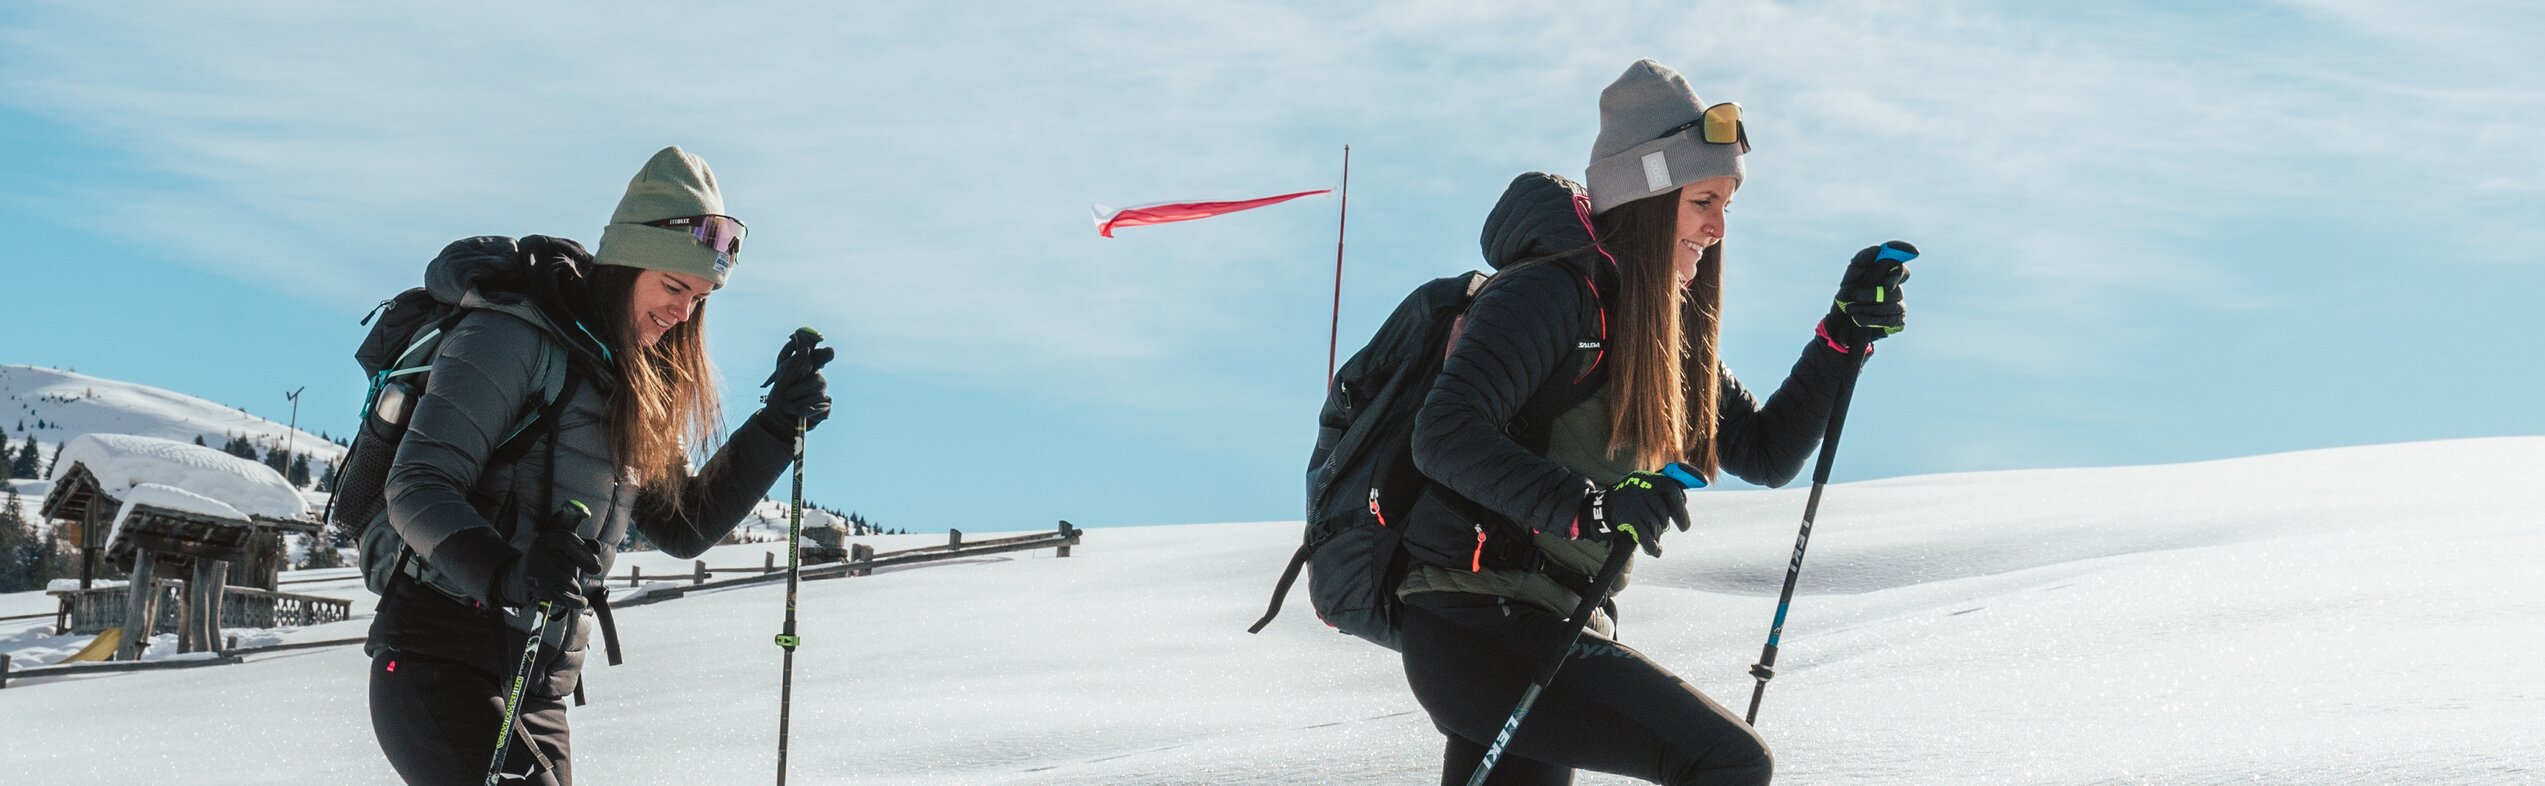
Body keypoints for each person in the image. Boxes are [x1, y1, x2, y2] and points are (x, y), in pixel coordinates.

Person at [1394, 60, 1915, 785]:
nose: (1717, 225)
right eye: (1703, 199)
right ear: (1646, 195)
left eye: (1727, 203)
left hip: (1538, 622)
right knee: (1726, 761)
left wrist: (1839, 341)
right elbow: (1443, 434)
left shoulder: (1660, 332)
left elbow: (1763, 453)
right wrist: (1592, 508)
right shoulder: (1549, 295)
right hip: (1482, 621)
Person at [364, 146, 834, 785]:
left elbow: (684, 524)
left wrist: (776, 425)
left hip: (539, 685)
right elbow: (417, 485)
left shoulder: (635, 382)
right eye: (673, 287)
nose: (683, 312)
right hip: (441, 661)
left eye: (699, 297)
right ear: (625, 262)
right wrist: (508, 573)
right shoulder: (510, 337)